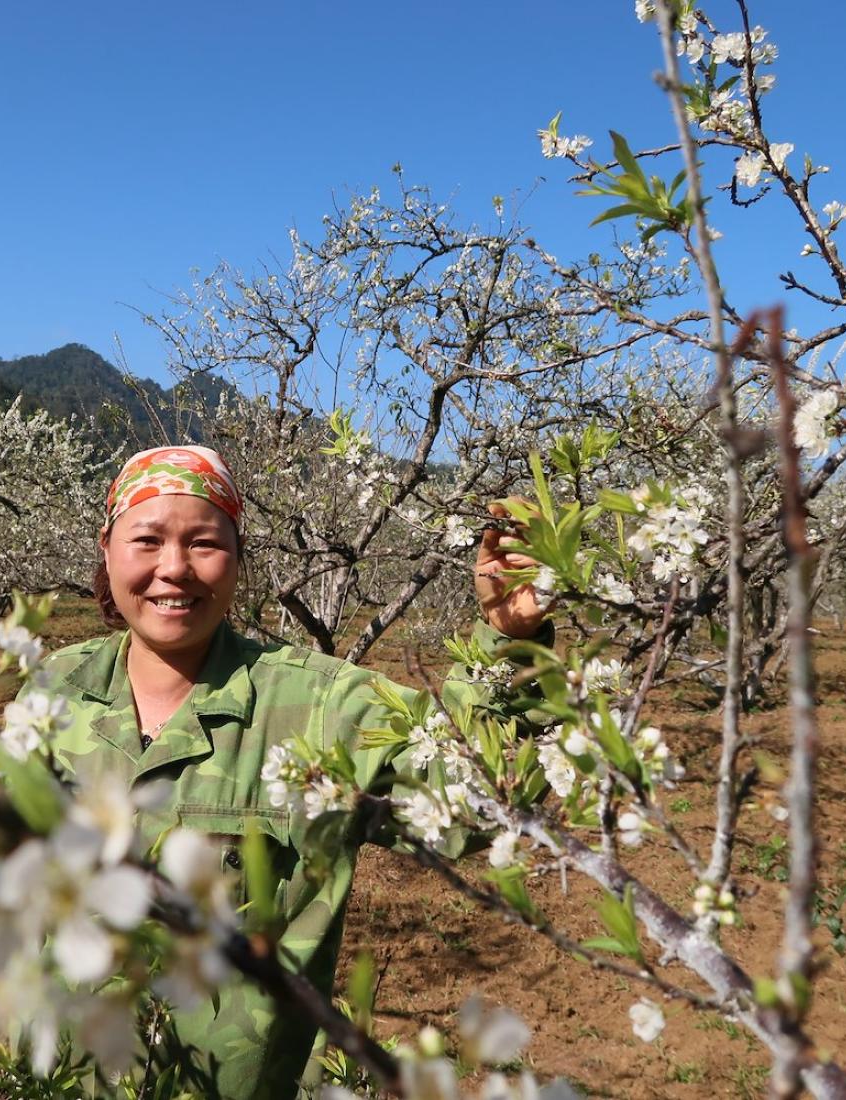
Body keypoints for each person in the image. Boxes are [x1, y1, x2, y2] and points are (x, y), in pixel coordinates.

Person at [40, 445, 547, 1100]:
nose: (174, 568)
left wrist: (511, 643)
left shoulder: (321, 704)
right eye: (147, 540)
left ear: (238, 557)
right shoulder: (54, 688)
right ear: (107, 551)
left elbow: (470, 800)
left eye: (203, 542)